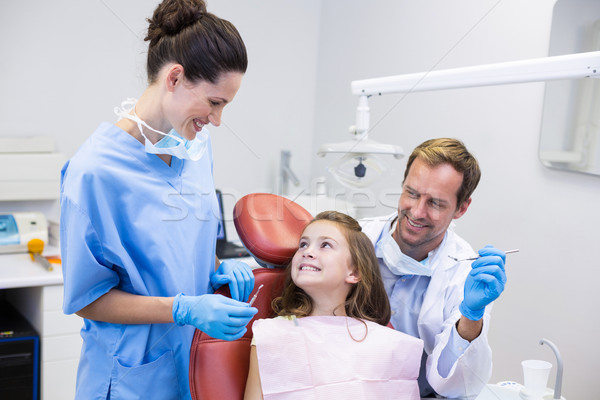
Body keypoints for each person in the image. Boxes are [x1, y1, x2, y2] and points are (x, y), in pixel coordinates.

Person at [59, 1, 257, 399]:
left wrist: (217, 267)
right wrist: (183, 308)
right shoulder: (95, 172)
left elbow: (179, 245)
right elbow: (89, 299)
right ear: (175, 77)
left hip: (190, 364)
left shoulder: (196, 147)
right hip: (130, 375)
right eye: (214, 103)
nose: (216, 121)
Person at [360, 137, 508, 399]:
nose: (417, 212)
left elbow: (455, 385)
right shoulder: (357, 239)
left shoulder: (465, 273)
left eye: (436, 203)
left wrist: (471, 316)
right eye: (412, 193)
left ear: (461, 208)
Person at [244, 211, 424, 400]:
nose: (307, 251)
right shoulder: (271, 335)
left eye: (325, 245)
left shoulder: (387, 344)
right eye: (303, 244)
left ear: (354, 272)